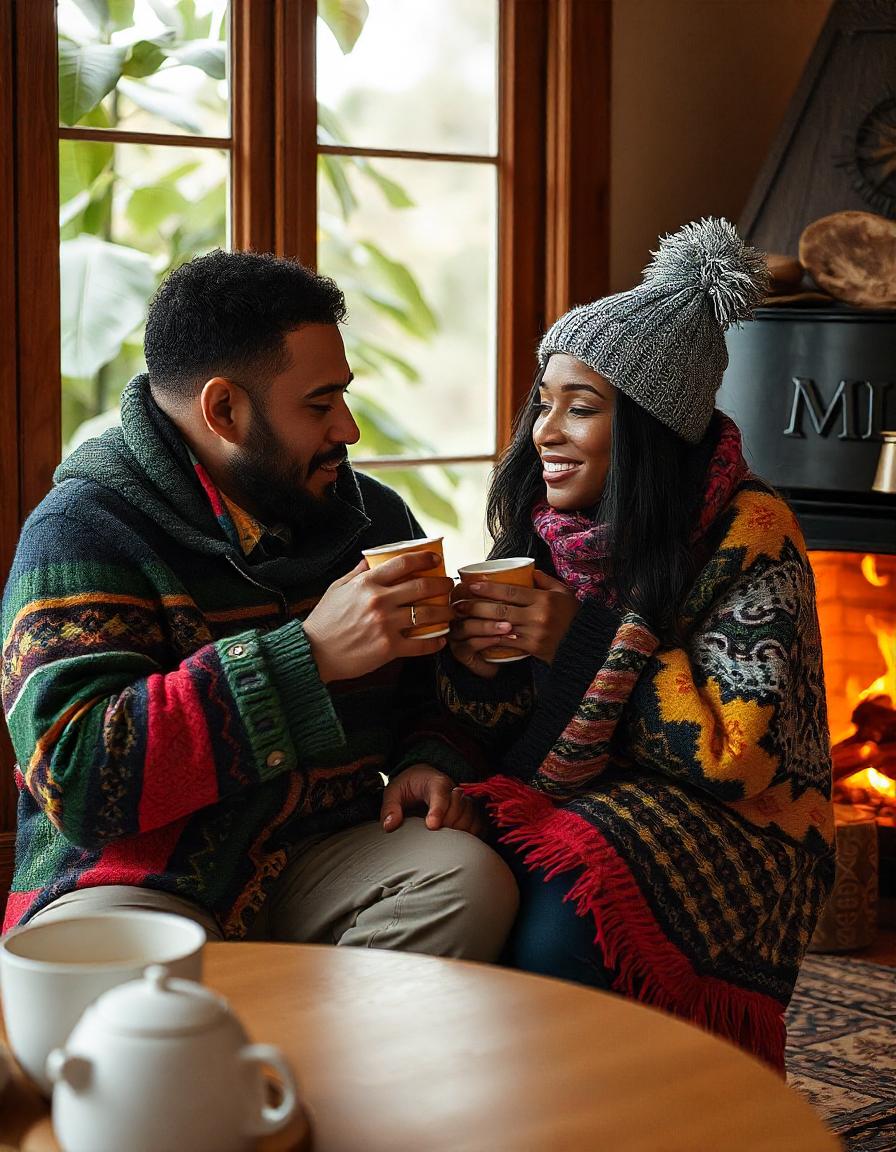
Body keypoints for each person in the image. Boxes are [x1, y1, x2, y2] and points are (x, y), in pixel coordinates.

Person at [1, 249, 517, 958]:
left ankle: (340, 1066)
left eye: (343, 395)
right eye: (319, 403)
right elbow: (79, 780)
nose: (349, 429)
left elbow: (430, 696)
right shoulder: (81, 531)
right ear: (224, 409)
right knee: (99, 963)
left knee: (467, 880)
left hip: (322, 854)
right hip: (134, 878)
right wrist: (306, 658)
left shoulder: (371, 518)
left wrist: (432, 758)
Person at [439, 218, 834, 1070]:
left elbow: (738, 756)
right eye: (542, 402)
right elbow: (506, 721)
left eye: (580, 408)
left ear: (650, 429)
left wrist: (575, 644)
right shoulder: (553, 526)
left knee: (565, 907)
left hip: (745, 823)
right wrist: (473, 664)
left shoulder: (752, 533)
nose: (544, 431)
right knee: (464, 875)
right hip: (582, 787)